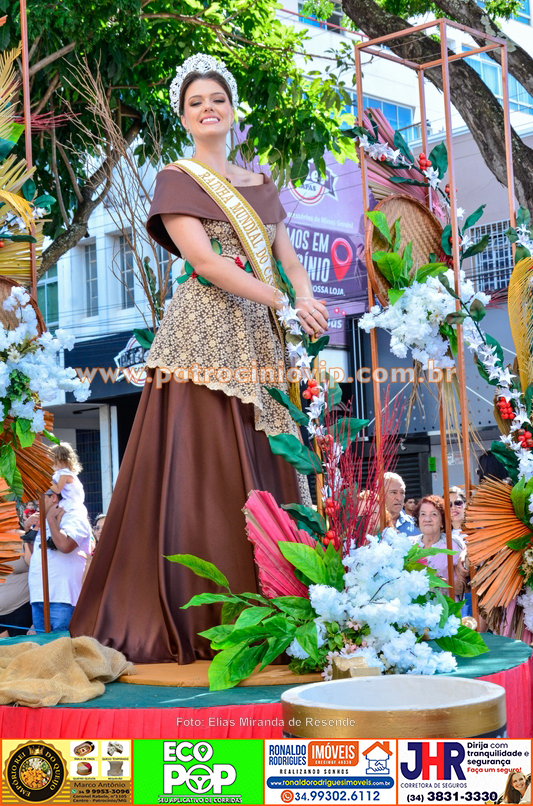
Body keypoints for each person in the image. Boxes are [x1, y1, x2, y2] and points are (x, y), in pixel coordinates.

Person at [70, 53, 329, 664]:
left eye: (217, 99)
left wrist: (306, 296)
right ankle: (203, 610)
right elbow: (207, 263)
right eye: (195, 103)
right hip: (202, 333)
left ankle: (277, 609)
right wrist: (283, 303)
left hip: (262, 335)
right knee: (201, 465)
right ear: (185, 118)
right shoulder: (176, 178)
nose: (208, 108)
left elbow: (289, 259)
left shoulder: (261, 182)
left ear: (233, 110)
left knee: (267, 459)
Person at [28, 489, 92, 633]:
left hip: (63, 598)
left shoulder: (74, 515)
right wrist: (29, 530)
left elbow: (65, 545)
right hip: (40, 597)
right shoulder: (44, 521)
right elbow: (38, 556)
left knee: (63, 650)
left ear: (54, 497)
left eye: (40, 498)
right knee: (45, 651)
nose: (36, 503)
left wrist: (51, 519)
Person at [411, 495, 466, 596]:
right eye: (423, 514)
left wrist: (440, 583)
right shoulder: (409, 545)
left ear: (442, 522)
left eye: (434, 514)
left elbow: (464, 587)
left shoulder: (452, 543)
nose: (427, 519)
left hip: (445, 609)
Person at [50, 442, 87, 518]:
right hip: (69, 501)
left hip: (72, 503)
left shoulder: (65, 474)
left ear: (60, 460)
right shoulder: (61, 473)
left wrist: (46, 481)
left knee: (59, 515)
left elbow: (57, 489)